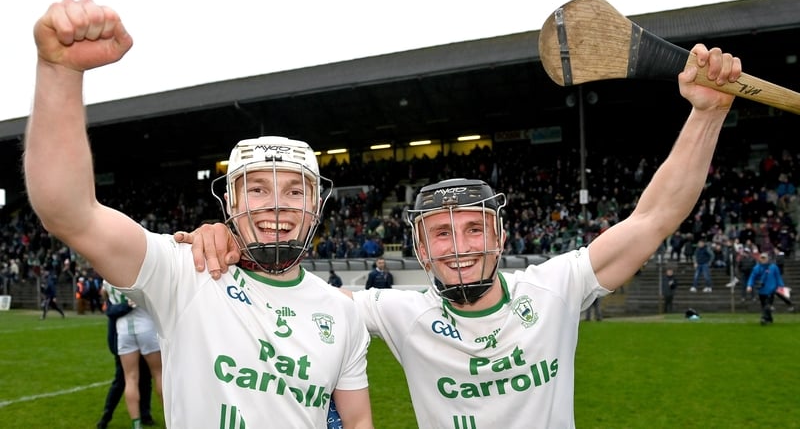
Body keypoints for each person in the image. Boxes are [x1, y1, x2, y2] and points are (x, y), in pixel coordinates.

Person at [184, 41, 744, 427]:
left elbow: (653, 220)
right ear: (421, 250)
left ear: (500, 237)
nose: (461, 246)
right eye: (442, 234)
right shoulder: (398, 314)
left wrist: (707, 113)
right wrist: (227, 240)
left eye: (475, 228)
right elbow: (289, 290)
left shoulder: (553, 290)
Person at [23, 0, 372, 429]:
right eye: (258, 189)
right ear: (231, 203)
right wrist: (60, 72)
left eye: (295, 190)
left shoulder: (341, 312)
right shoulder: (185, 272)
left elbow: (356, 422)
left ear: (317, 205)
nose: (277, 205)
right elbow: (70, 213)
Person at [97, 283, 155, 429]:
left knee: (142, 378)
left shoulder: (111, 284)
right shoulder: (115, 292)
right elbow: (110, 311)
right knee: (122, 380)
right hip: (133, 333)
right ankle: (106, 415)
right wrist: (128, 305)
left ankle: (144, 415)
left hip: (127, 333)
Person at [746, 252, 787, 325]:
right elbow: (752, 277)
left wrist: (781, 286)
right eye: (762, 258)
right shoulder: (756, 268)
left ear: (767, 259)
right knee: (764, 305)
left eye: (764, 258)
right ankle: (769, 318)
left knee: (767, 304)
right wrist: (749, 285)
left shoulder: (774, 267)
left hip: (771, 289)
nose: (763, 260)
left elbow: (778, 277)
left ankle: (763, 318)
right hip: (761, 290)